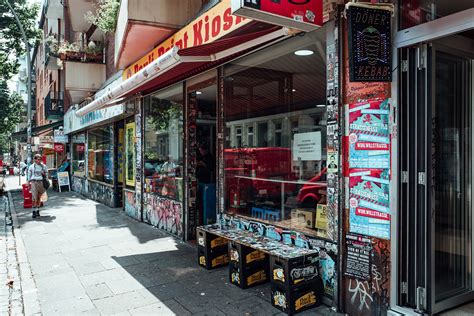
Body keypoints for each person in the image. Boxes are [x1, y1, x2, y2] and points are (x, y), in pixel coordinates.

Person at [27, 154, 47, 218]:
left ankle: (37, 210)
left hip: (41, 182)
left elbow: (46, 173)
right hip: (34, 182)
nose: (39, 160)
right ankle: (33, 211)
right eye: (37, 159)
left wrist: (44, 175)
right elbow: (29, 175)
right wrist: (28, 183)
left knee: (39, 197)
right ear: (35, 159)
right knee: (34, 197)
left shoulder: (43, 166)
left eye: (40, 159)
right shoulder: (31, 166)